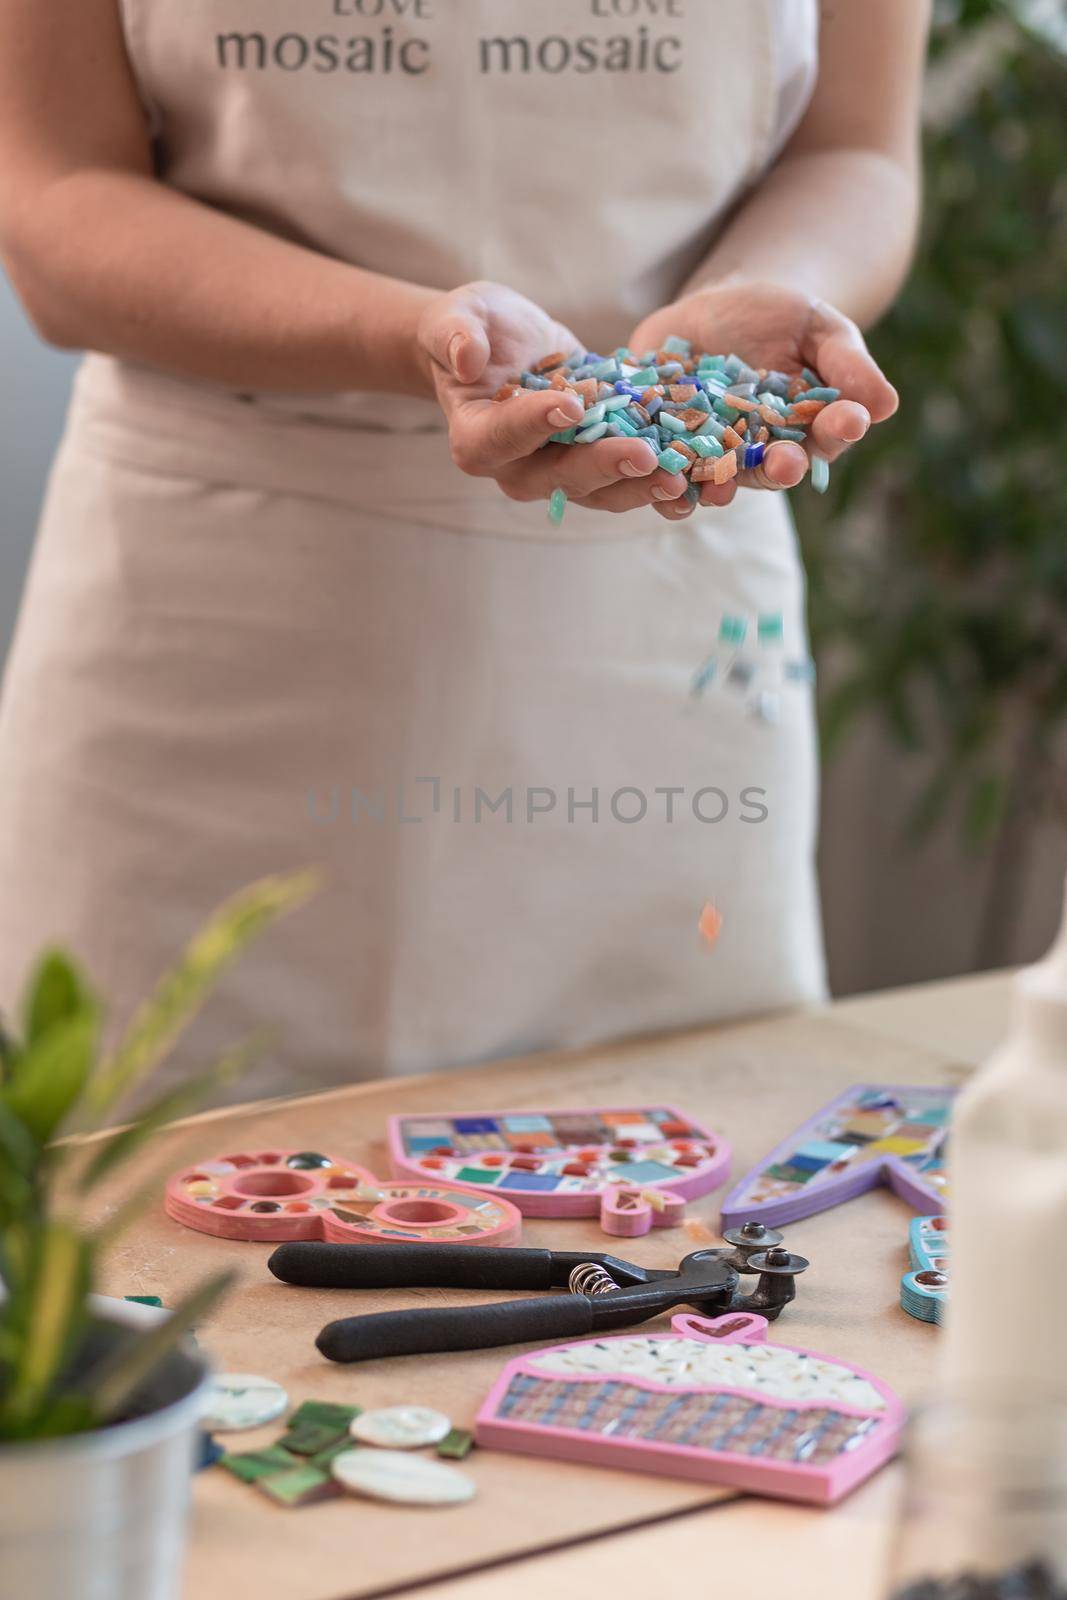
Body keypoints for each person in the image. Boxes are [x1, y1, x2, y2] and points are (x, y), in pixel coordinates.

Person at [0, 0, 928, 1098]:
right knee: (158, 1208)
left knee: (674, 1195)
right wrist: (408, 336)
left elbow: (854, 148)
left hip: (662, 584)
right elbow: (54, 196)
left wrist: (739, 307)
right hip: (214, 590)